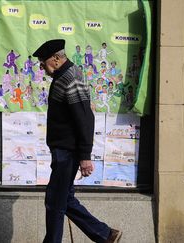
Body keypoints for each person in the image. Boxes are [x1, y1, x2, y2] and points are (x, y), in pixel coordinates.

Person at [32, 39, 122, 243]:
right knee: (65, 199)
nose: (41, 66)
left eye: (42, 61)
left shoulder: (71, 77)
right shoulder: (63, 76)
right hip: (62, 151)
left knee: (54, 201)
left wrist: (84, 156)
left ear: (55, 59)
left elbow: (84, 118)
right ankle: (106, 235)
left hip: (68, 152)